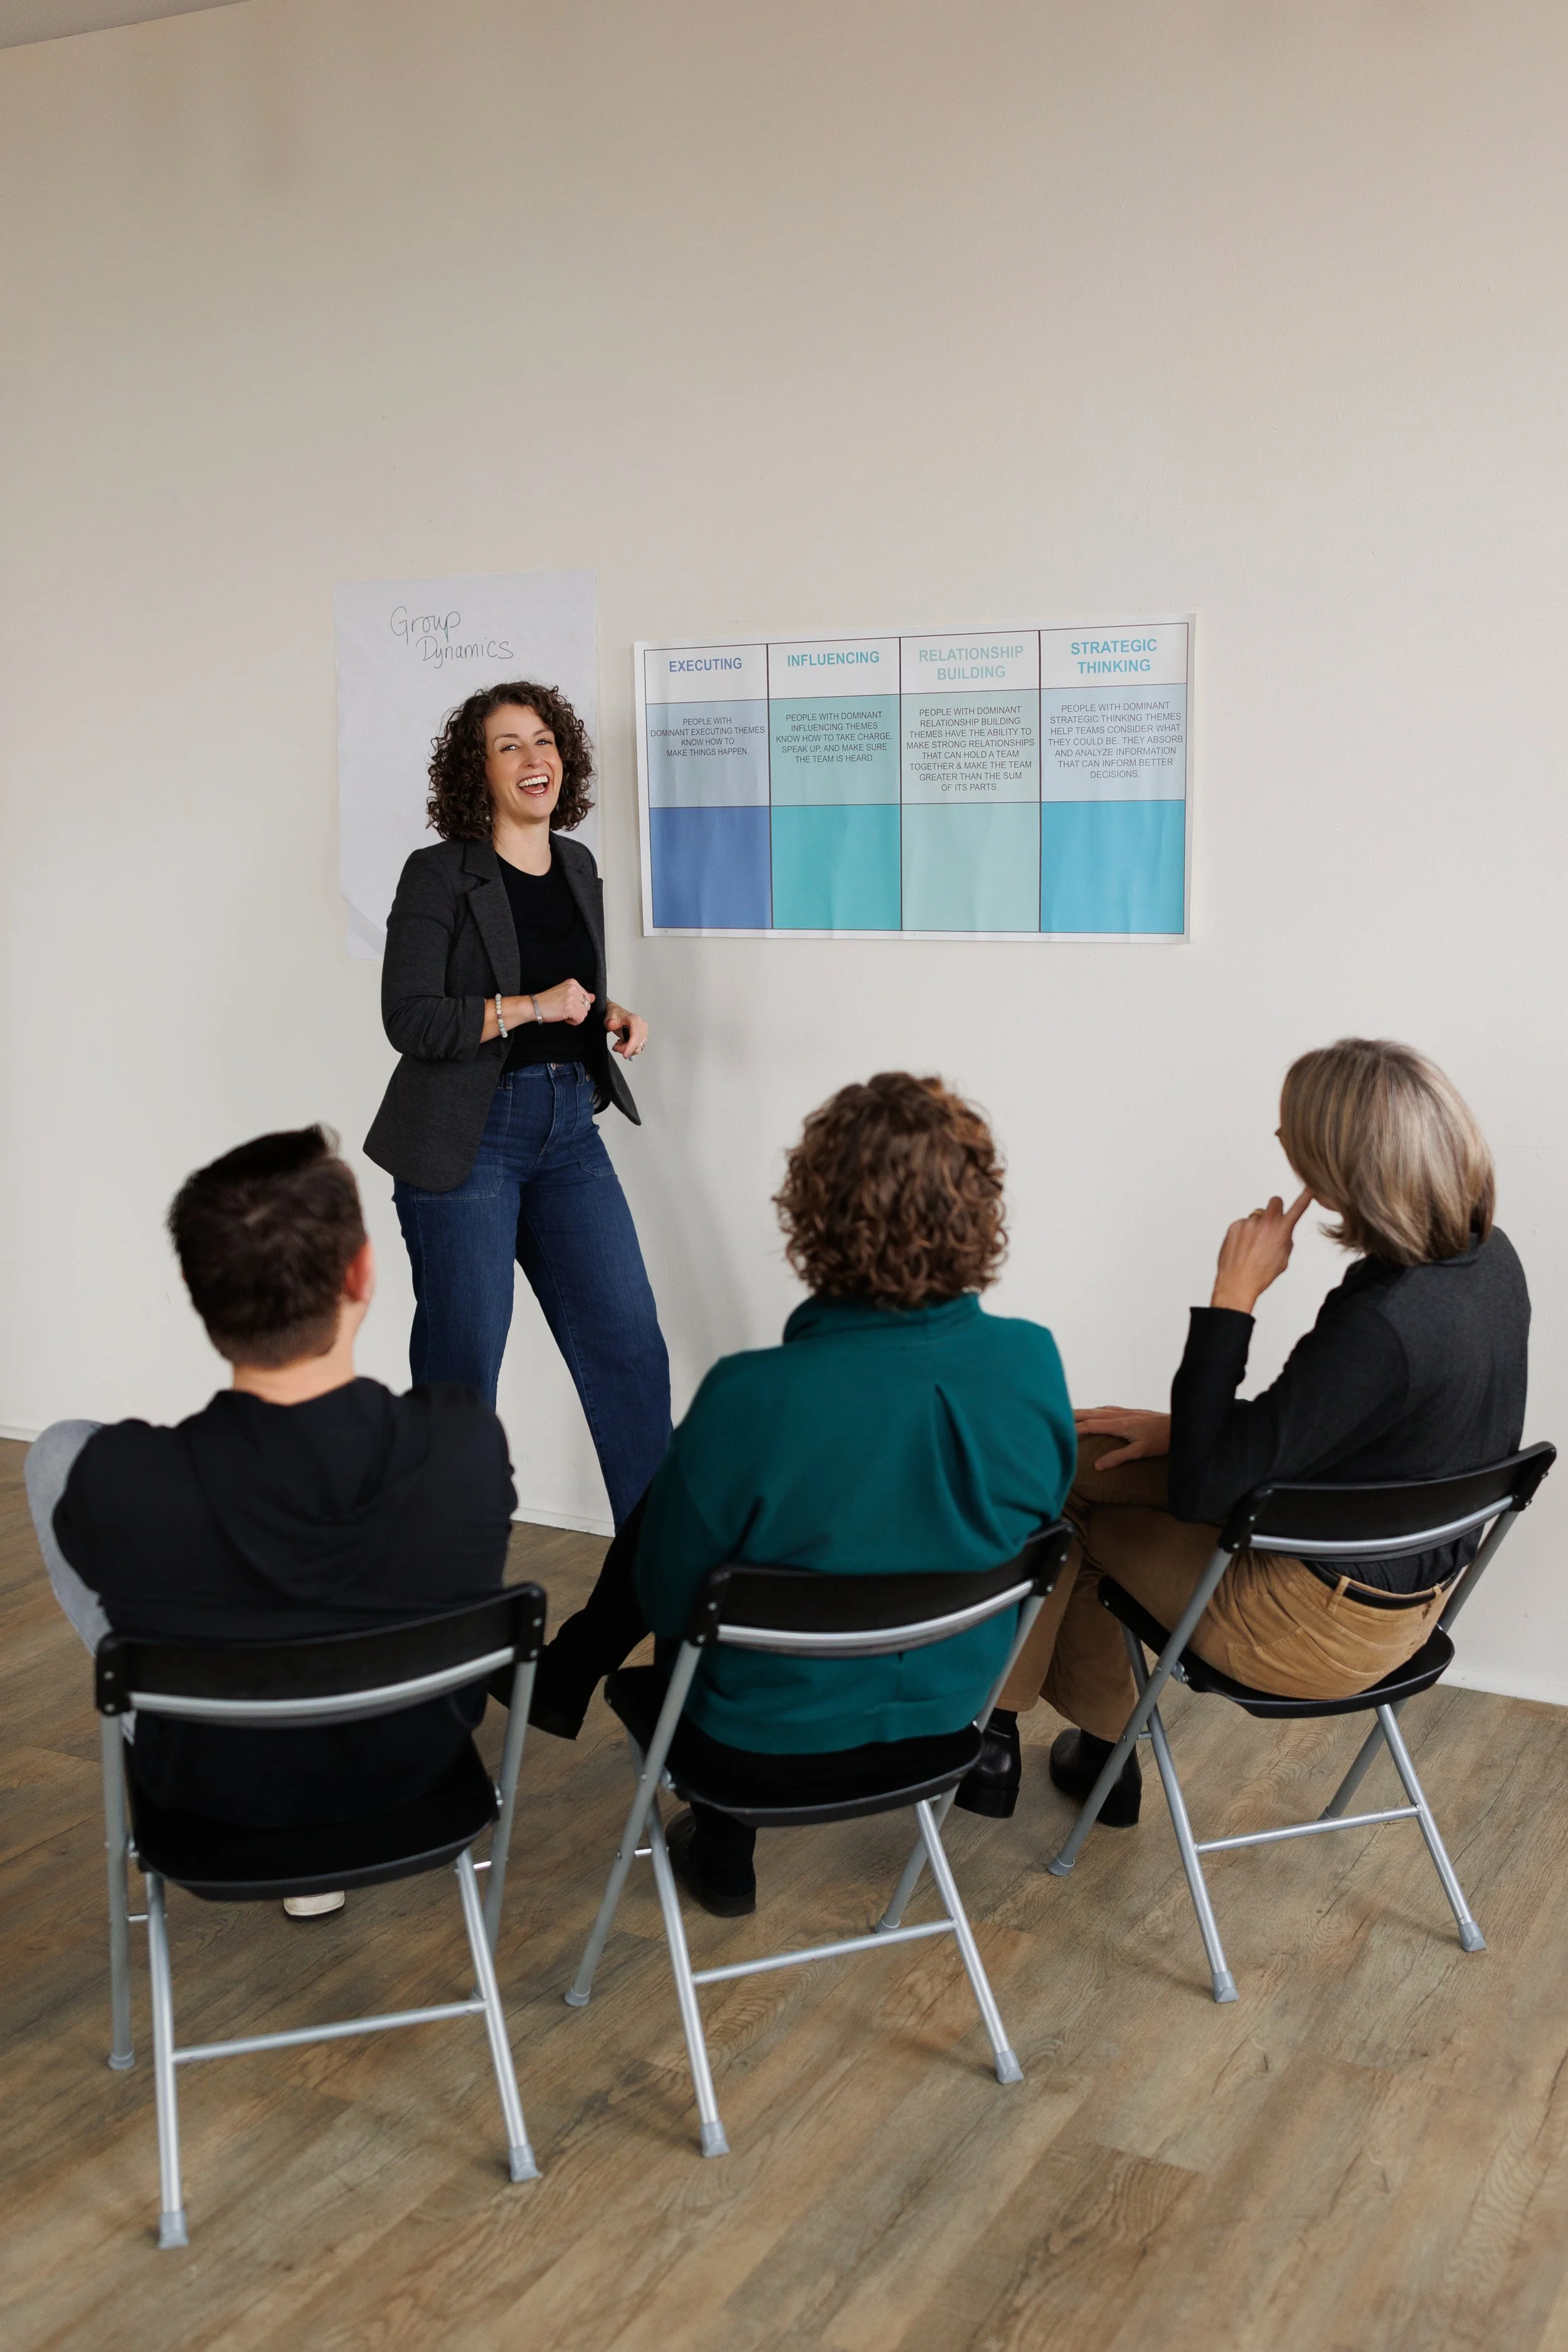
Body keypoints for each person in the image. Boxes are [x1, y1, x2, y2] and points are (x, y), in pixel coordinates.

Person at [526, 1071, 1077, 1916]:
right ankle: (573, 1676)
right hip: (947, 1719)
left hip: (754, 1745)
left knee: (688, 1525)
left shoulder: (752, 1396)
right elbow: (1032, 1521)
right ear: (977, 1212)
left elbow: (671, 1602)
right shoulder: (1032, 1362)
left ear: (813, 1213)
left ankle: (722, 1852)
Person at [954, 1037, 1530, 1828]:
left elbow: (1199, 1493)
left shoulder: (1382, 1324)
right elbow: (1337, 1431)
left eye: (1293, 1129)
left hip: (1311, 1629)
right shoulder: (1487, 1260)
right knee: (1074, 1453)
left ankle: (1003, 1737)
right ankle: (1075, 1755)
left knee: (1079, 1511)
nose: (1279, 1142)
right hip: (1399, 1596)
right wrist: (1180, 1427)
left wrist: (1233, 1294)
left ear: (1340, 1163)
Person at [25, 1128, 516, 1916]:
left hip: (212, 1790)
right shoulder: (464, 1439)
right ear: (362, 1272)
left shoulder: (127, 1480)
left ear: (194, 1287)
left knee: (54, 1455)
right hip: (413, 1772)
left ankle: (217, 1692)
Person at [364, 681, 669, 1530]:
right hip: (469, 1140)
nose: (533, 759)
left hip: (570, 1131)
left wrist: (608, 1013)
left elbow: (568, 992)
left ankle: (662, 1576)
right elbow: (411, 1018)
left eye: (543, 740)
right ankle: (441, 1593)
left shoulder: (575, 864)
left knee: (630, 1347)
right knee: (463, 1372)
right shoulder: (437, 874)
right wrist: (533, 1005)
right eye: (508, 745)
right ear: (478, 768)